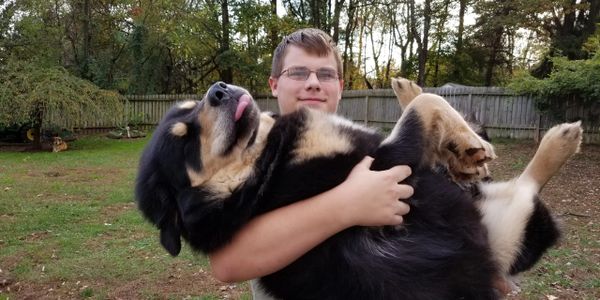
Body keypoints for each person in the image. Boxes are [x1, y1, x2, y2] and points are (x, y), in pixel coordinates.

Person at [208, 28, 414, 298]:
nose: (313, 83)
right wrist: (349, 203)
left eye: (325, 74)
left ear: (340, 87)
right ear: (274, 85)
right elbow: (227, 263)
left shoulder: (368, 150)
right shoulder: (250, 153)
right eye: (297, 72)